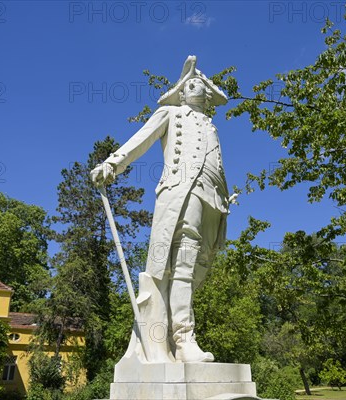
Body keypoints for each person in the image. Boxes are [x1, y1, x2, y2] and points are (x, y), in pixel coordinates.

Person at [91, 56, 236, 363]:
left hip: (213, 197)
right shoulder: (170, 113)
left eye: (201, 84)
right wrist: (112, 163)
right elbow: (141, 140)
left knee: (199, 266)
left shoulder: (211, 125)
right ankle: (184, 340)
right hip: (183, 191)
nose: (196, 86)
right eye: (190, 83)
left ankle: (176, 334)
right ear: (181, 93)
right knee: (182, 261)